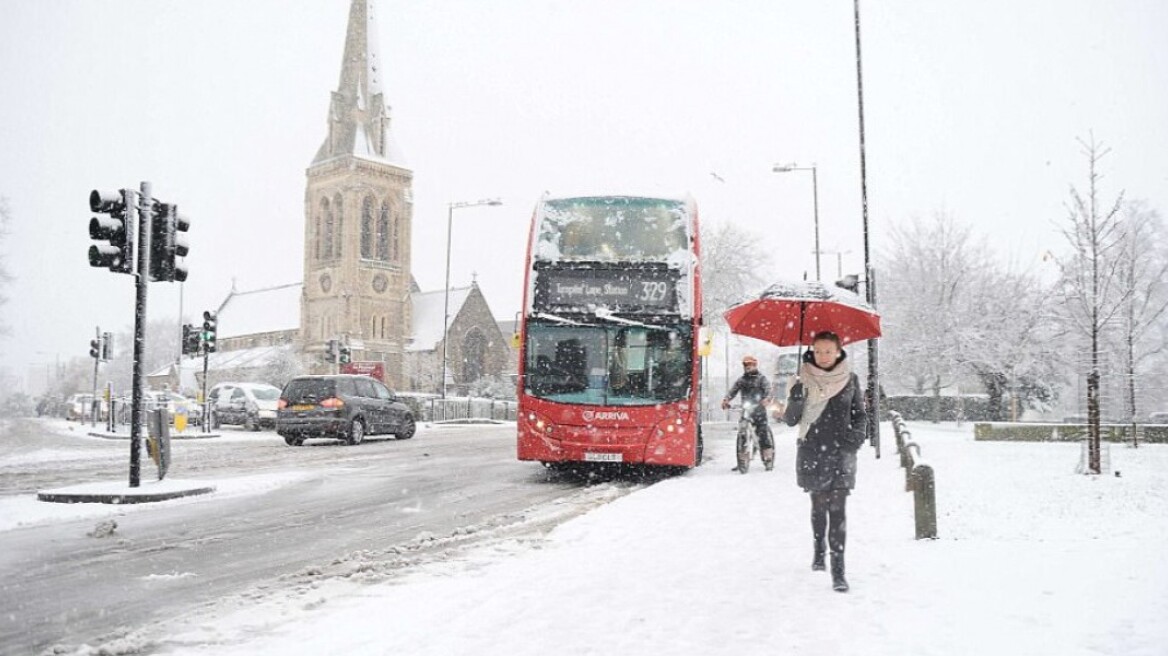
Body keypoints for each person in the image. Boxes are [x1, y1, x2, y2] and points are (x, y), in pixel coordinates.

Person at [780, 331, 867, 593]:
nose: (824, 356)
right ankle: (819, 550)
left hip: (842, 452)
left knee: (838, 509)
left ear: (839, 351)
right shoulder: (801, 380)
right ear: (812, 352)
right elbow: (791, 420)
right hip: (812, 449)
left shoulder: (850, 379)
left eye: (829, 351)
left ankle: (838, 571)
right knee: (819, 505)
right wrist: (795, 398)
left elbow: (860, 416)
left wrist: (855, 439)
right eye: (818, 351)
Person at [721, 355, 775, 471]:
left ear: (755, 365)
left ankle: (768, 458)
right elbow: (733, 391)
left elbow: (769, 390)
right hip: (746, 410)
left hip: (759, 410)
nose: (748, 367)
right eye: (746, 365)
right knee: (742, 433)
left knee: (763, 432)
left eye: (750, 364)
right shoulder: (742, 380)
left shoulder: (761, 379)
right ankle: (742, 460)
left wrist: (767, 399)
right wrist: (726, 400)